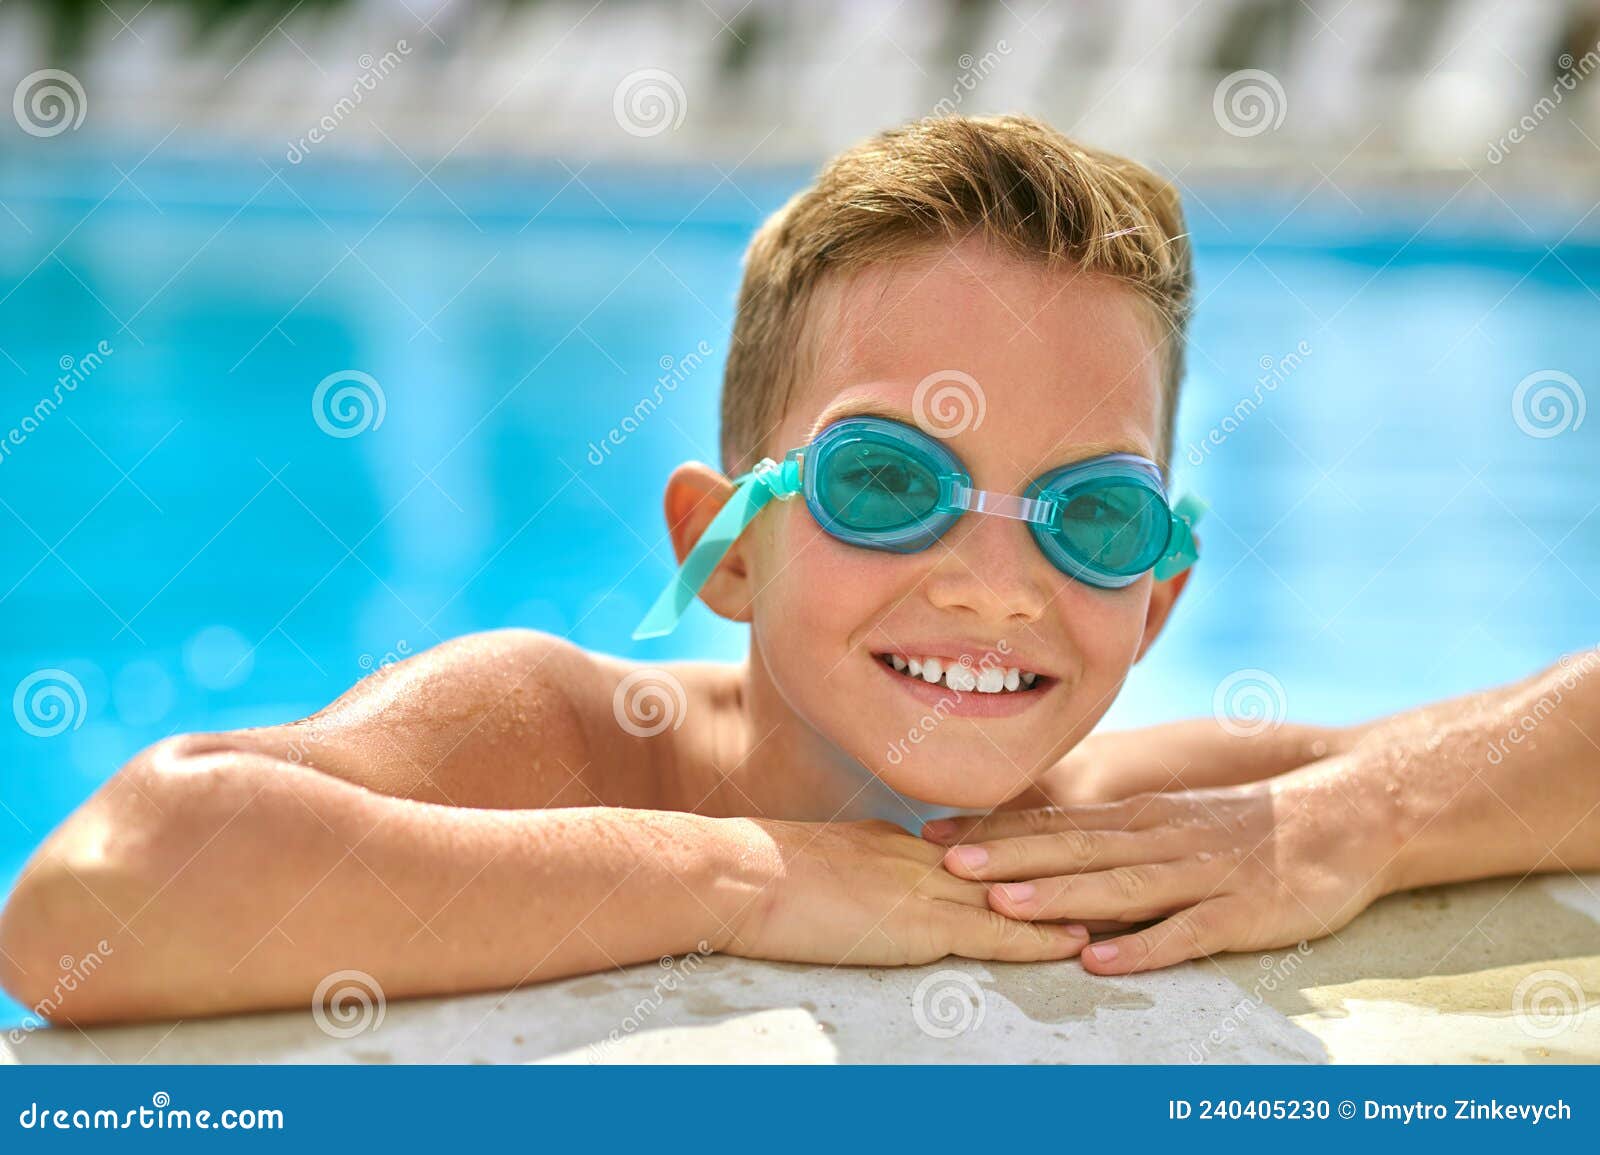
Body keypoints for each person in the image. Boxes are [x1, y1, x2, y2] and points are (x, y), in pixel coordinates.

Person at [2, 115, 1595, 1025]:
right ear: (726, 545)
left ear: (1162, 599)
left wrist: (1362, 817)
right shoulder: (556, 740)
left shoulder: (1134, 828)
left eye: (1093, 517)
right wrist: (749, 880)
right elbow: (95, 896)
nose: (991, 582)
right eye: (891, 483)